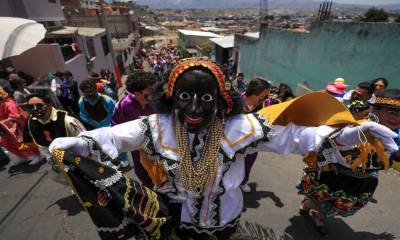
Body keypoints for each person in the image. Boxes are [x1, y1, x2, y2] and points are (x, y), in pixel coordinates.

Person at [49, 58, 397, 240]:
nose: (196, 108)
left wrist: (344, 137)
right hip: (175, 214)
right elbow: (114, 137)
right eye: (186, 98)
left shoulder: (242, 127)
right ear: (171, 98)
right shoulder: (156, 126)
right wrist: (82, 141)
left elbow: (293, 137)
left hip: (226, 216)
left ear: (221, 99)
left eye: (206, 98)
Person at [296, 88, 400, 236]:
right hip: (335, 175)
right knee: (322, 200)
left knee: (335, 206)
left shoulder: (397, 135)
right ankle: (313, 211)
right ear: (375, 110)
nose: (397, 118)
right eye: (393, 112)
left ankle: (312, 209)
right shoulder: (358, 125)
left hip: (362, 181)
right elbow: (333, 142)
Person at [111, 71, 156, 172]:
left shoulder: (157, 102)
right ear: (137, 93)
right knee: (143, 172)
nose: (154, 92)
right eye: (150, 89)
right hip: (138, 151)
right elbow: (115, 129)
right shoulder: (123, 106)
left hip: (159, 147)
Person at [23, 93, 86, 164]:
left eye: (39, 105)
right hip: (60, 161)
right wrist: (49, 158)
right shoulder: (32, 123)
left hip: (81, 158)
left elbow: (84, 141)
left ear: (49, 105)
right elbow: (42, 144)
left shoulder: (67, 120)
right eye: (31, 107)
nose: (35, 109)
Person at [240, 78, 271, 192]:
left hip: (253, 142)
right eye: (263, 96)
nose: (265, 99)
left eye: (266, 96)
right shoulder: (236, 101)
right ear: (252, 93)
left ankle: (243, 181)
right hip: (235, 141)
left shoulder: (265, 105)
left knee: (248, 163)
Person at [0, 86, 41, 165]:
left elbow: (16, 116)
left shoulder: (9, 103)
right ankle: (22, 156)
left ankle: (37, 155)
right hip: (7, 128)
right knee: (6, 142)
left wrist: (3, 122)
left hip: (19, 126)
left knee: (25, 141)